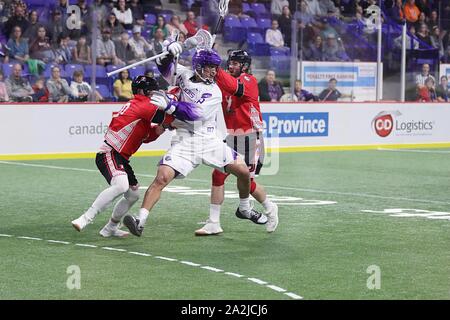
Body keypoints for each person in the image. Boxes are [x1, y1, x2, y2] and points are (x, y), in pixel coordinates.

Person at [122, 44, 265, 237]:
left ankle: (244, 208)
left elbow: (196, 113)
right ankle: (140, 220)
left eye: (216, 67)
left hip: (208, 141)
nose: (215, 71)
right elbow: (166, 69)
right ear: (198, 67)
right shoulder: (185, 75)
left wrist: (171, 106)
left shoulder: (215, 91)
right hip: (184, 141)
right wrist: (170, 52)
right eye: (210, 67)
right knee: (162, 177)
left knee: (243, 172)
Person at [71, 75, 200, 236]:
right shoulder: (143, 104)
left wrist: (165, 125)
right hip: (110, 152)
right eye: (152, 92)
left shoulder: (141, 109)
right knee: (121, 185)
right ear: (142, 91)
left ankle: (110, 227)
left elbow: (149, 136)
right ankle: (85, 218)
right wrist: (175, 95)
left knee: (132, 194)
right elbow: (171, 115)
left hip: (121, 157)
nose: (155, 95)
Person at [195, 49, 279, 236]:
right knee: (217, 176)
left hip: (250, 137)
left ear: (244, 66)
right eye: (229, 62)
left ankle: (269, 207)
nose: (230, 65)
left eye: (235, 63)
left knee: (247, 182)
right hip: (232, 137)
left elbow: (235, 87)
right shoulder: (224, 81)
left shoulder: (249, 81)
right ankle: (214, 222)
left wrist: (214, 66)